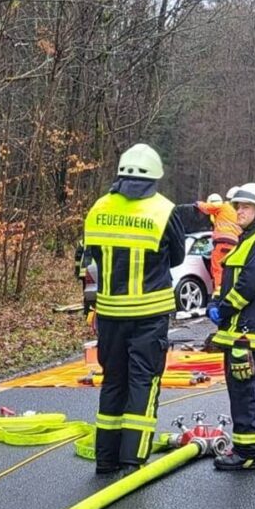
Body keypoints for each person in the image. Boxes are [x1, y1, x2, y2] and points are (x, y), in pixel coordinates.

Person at [82, 144, 185, 475]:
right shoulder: (163, 210)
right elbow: (179, 257)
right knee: (144, 381)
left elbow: (92, 255)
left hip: (110, 314)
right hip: (149, 316)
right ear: (155, 177)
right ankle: (133, 460)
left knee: (114, 380)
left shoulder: (99, 208)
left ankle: (105, 459)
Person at [206, 183, 255, 471]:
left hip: (247, 335)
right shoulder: (248, 239)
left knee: (244, 393)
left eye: (246, 207)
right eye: (238, 206)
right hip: (239, 333)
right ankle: (252, 446)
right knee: (246, 392)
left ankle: (248, 454)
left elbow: (248, 286)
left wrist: (223, 309)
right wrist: (216, 300)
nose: (239, 210)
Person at [196, 193, 242, 295]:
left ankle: (219, 296)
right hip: (235, 245)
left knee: (218, 270)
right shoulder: (237, 213)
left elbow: (207, 207)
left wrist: (198, 204)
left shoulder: (223, 207)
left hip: (222, 243)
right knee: (231, 271)